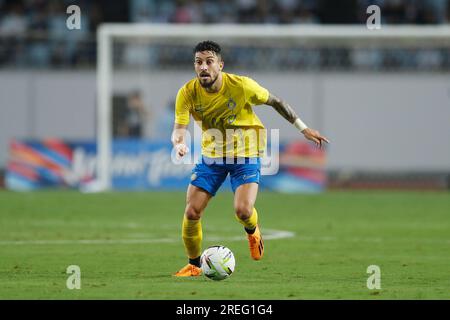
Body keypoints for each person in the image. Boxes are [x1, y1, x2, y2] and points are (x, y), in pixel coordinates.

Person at [172, 40, 329, 277]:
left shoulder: (242, 86)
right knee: (192, 212)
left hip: (246, 153)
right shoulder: (187, 93)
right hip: (212, 156)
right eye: (198, 62)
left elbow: (276, 102)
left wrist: (303, 128)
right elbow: (179, 128)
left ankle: (252, 230)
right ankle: (194, 265)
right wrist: (180, 143)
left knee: (243, 211)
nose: (203, 67)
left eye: (209, 62)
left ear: (220, 65)